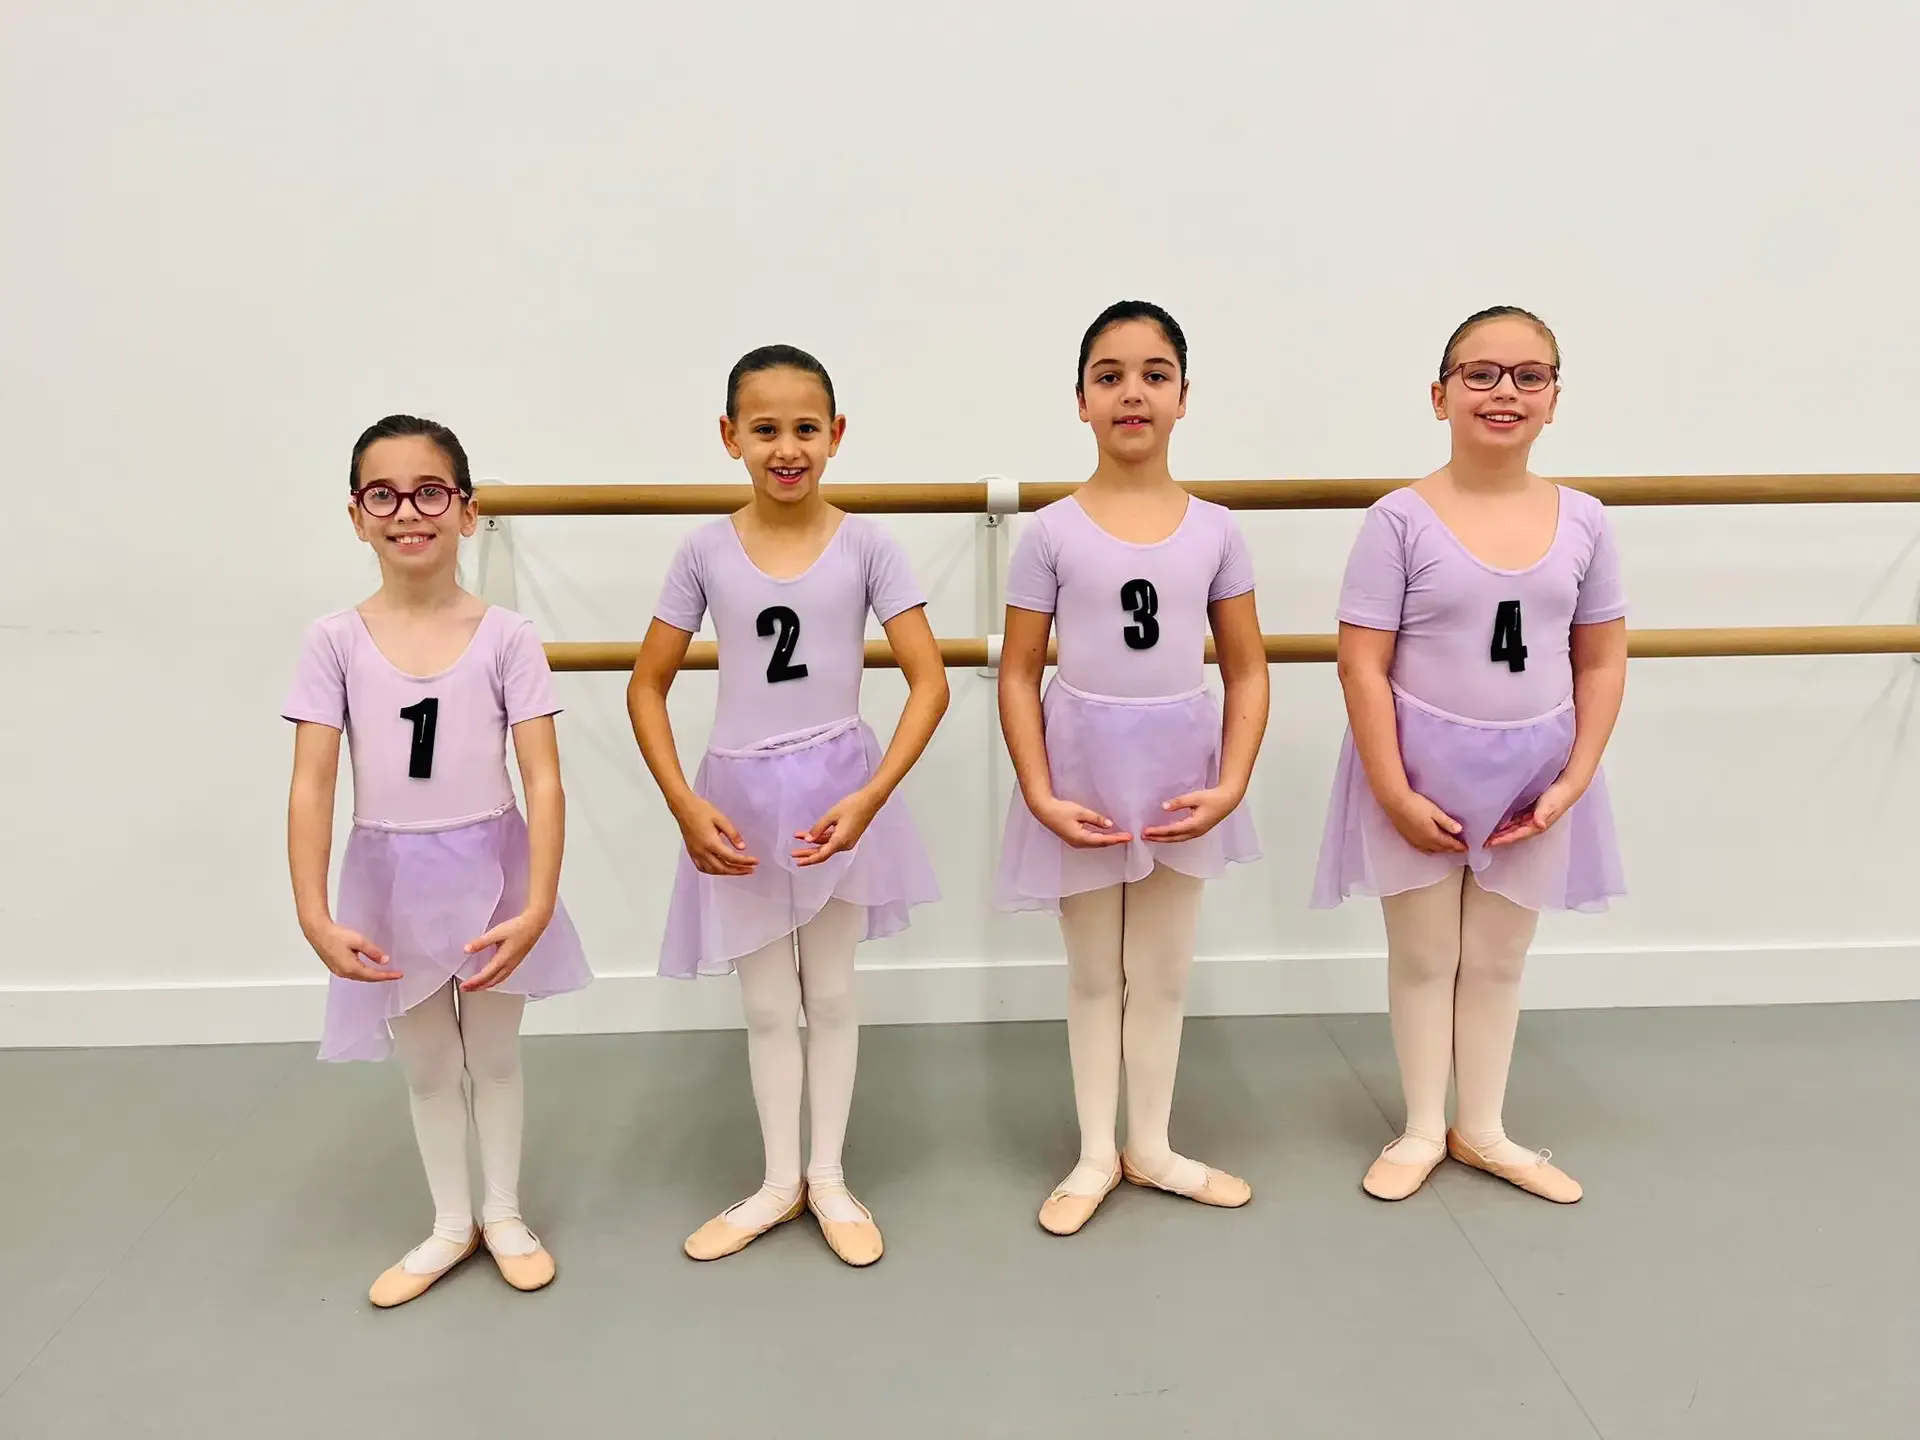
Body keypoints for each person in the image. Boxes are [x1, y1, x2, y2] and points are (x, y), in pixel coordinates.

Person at [629, 345, 946, 1266]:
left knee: (833, 991)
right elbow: (646, 686)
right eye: (764, 429)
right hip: (737, 798)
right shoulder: (702, 549)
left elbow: (928, 682)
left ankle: (831, 1176)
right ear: (730, 437)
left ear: (836, 435)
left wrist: (872, 796)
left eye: (805, 428)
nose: (786, 447)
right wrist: (686, 803)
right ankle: (777, 1181)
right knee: (768, 1004)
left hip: (838, 790)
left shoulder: (870, 544)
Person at [1312, 306, 1628, 1204]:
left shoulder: (1586, 522)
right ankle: (1420, 1125)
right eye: (1481, 373)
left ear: (1555, 399)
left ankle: (1481, 1126)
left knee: (1495, 959)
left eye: (1529, 376)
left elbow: (1601, 658)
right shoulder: (1399, 520)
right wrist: (1392, 786)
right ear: (1440, 393)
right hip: (1416, 763)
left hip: (1537, 771)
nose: (1504, 393)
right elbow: (1361, 664)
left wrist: (1573, 778)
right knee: (1423, 956)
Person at [284, 414, 591, 1306]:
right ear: (356, 514)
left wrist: (538, 899)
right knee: (426, 1061)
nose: (406, 512)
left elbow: (544, 779)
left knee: (494, 1054)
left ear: (465, 510)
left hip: (493, 868)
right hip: (387, 879)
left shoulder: (506, 636)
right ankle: (450, 1223)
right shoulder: (333, 640)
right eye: (383, 494)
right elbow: (312, 785)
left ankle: (502, 1212)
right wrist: (313, 912)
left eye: (429, 492)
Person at [996, 301, 1269, 1235]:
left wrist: (1231, 782)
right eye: (1109, 375)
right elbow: (1022, 669)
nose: (1132, 393)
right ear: (1080, 400)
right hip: (1081, 769)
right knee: (1090, 974)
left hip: (1181, 769)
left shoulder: (1217, 530)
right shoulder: (1050, 532)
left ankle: (1150, 1144)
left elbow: (1245, 668)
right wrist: (1037, 790)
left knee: (1160, 971)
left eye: (1155, 374)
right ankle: (1093, 1152)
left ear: (1185, 397)